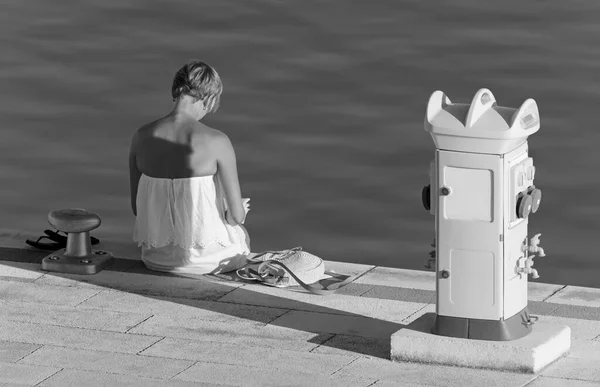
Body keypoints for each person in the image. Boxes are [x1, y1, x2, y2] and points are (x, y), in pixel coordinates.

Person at [129, 60, 251, 275]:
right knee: (239, 234)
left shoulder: (141, 135)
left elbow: (137, 209)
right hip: (209, 262)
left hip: (155, 258)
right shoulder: (217, 140)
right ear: (208, 97)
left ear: (176, 92)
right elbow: (236, 215)